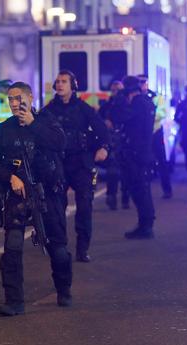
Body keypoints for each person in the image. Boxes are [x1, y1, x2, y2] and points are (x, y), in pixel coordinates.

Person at [0, 81, 73, 316]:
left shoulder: (47, 121)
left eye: (18, 98)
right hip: (18, 195)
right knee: (12, 247)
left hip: (48, 194)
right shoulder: (4, 129)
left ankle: (64, 291)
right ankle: (14, 301)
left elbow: (61, 143)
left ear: (30, 98)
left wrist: (34, 125)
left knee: (58, 247)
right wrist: (11, 177)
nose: (14, 103)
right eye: (10, 99)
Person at [42, 70, 109, 262]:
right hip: (58, 164)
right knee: (56, 207)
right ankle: (59, 245)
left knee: (84, 206)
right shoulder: (49, 110)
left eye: (64, 81)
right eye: (58, 82)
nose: (60, 85)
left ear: (73, 85)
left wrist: (103, 148)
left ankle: (82, 248)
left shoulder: (83, 108)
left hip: (81, 163)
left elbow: (102, 130)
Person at [110, 76, 156, 239]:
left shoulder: (137, 104)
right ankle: (145, 224)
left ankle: (145, 226)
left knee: (139, 189)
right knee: (142, 188)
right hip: (142, 151)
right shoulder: (146, 102)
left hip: (136, 153)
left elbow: (119, 117)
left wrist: (118, 100)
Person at [98, 80, 130, 210]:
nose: (117, 93)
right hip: (112, 140)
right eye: (114, 90)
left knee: (126, 171)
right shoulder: (107, 105)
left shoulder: (128, 104)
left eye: (119, 90)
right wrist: (104, 122)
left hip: (126, 141)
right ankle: (111, 196)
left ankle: (125, 197)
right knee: (113, 170)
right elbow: (98, 118)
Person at [138, 74, 172, 199]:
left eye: (143, 82)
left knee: (162, 161)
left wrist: (146, 115)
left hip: (155, 132)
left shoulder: (156, 97)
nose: (141, 84)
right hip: (140, 134)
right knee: (141, 164)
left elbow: (161, 113)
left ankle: (167, 189)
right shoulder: (134, 97)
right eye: (139, 82)